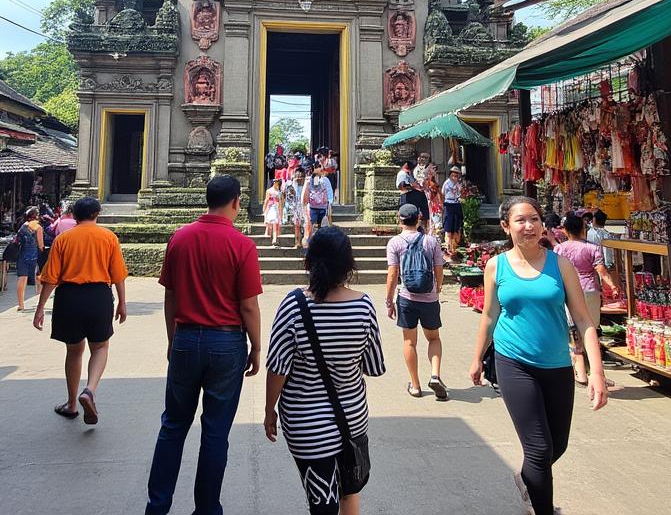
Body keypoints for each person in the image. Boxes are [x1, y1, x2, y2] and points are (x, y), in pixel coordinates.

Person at [469, 197, 607, 515]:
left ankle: (526, 479)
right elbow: (489, 315)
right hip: (513, 361)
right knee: (539, 448)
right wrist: (477, 357)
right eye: (520, 220)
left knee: (557, 446)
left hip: (557, 364)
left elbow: (584, 319)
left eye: (534, 219)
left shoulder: (561, 265)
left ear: (543, 224)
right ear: (506, 226)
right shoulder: (496, 266)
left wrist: (596, 371)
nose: (528, 226)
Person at [145, 175, 263, 515]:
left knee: (173, 424)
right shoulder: (241, 244)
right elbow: (248, 306)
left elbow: (170, 295)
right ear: (237, 203)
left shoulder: (180, 238)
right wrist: (256, 347)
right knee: (215, 431)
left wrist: (173, 339)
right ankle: (207, 508)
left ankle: (158, 505)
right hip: (227, 343)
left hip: (185, 338)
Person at [265, 226, 384, 515]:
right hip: (352, 420)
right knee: (348, 491)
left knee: (322, 503)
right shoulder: (364, 305)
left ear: (309, 262)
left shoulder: (293, 306)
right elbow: (373, 366)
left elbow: (278, 368)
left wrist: (270, 410)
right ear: (349, 265)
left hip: (307, 426)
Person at [33, 197, 128, 425]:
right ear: (97, 214)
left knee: (74, 351)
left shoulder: (63, 239)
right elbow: (118, 275)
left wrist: (39, 308)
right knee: (100, 346)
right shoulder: (108, 237)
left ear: (74, 216)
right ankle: (90, 390)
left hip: (69, 298)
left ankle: (72, 403)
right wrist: (123, 303)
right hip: (99, 296)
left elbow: (51, 277)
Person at [385, 203, 447, 400]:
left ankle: (415, 384)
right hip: (429, 298)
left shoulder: (395, 242)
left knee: (409, 341)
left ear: (399, 219)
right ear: (419, 218)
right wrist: (437, 288)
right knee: (434, 338)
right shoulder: (431, 241)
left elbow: (393, 273)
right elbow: (439, 268)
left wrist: (389, 299)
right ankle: (435, 375)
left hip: (406, 297)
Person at [556, 213, 618, 386]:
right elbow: (601, 270)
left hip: (569, 291)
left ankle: (581, 371)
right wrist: (612, 286)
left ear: (566, 230)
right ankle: (598, 374)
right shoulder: (593, 248)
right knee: (591, 329)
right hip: (590, 290)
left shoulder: (560, 249)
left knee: (573, 330)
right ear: (583, 229)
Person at [15, 207, 45, 312]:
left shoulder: (23, 226)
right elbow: (41, 245)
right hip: (35, 256)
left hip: (23, 254)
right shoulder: (38, 227)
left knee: (22, 278)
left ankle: (20, 304)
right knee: (39, 278)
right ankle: (39, 302)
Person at [584, 210, 620, 294]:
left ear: (594, 219)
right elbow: (606, 250)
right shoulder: (605, 234)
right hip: (600, 262)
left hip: (590, 262)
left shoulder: (588, 232)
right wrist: (608, 263)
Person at [303, 163, 335, 243]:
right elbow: (307, 194)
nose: (320, 171)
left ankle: (321, 243)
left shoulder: (325, 180)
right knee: (314, 226)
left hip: (323, 207)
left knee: (322, 227)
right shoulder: (309, 180)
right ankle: (314, 243)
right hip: (313, 207)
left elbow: (329, 192)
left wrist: (329, 203)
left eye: (320, 169)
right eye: (318, 169)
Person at [440, 167, 464, 256]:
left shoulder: (458, 184)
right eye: (453, 175)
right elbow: (442, 194)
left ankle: (455, 247)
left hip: (456, 204)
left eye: (456, 175)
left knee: (457, 225)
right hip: (448, 204)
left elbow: (461, 193)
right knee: (449, 226)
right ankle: (448, 247)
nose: (455, 177)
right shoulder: (446, 184)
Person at [283, 168, 308, 250]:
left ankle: (305, 241)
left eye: (301, 177)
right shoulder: (291, 185)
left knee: (306, 226)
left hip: (305, 208)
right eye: (298, 177)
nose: (300, 179)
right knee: (297, 226)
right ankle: (297, 242)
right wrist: (294, 184)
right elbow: (290, 197)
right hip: (296, 208)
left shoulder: (307, 184)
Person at [263, 178, 284, 245]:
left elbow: (281, 202)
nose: (276, 183)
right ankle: (273, 238)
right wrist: (264, 207)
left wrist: (281, 211)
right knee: (273, 222)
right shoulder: (269, 191)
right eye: (275, 182)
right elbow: (266, 200)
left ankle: (275, 238)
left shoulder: (279, 192)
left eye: (277, 182)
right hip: (271, 208)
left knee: (275, 223)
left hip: (277, 208)